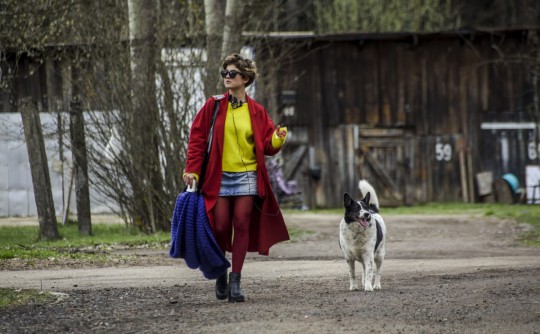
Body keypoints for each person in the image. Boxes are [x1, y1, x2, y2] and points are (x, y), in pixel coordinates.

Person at [183, 53, 289, 302]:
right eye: (225, 74)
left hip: (247, 176)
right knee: (219, 226)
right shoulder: (214, 105)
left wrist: (277, 139)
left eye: (232, 73)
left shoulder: (257, 111)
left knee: (241, 225)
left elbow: (267, 145)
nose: (227, 78)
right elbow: (197, 139)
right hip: (218, 177)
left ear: (245, 77)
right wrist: (192, 169)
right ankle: (221, 272)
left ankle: (236, 282)